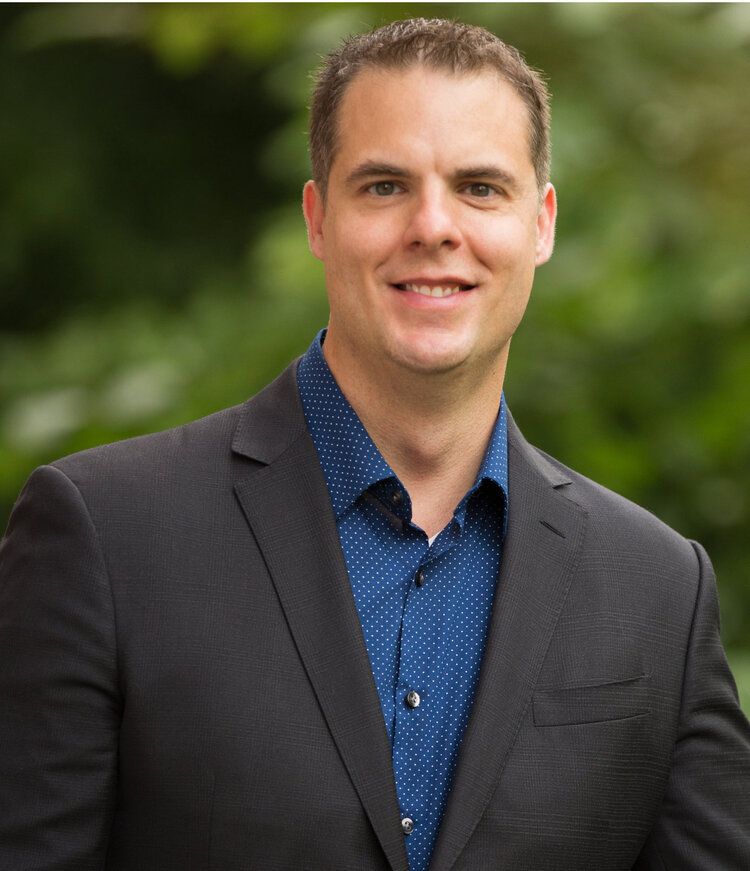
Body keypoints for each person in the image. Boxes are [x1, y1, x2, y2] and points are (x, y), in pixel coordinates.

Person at [1, 17, 748, 871]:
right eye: (386, 186)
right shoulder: (105, 537)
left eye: (480, 187)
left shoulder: (657, 587)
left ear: (539, 225)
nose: (434, 225)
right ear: (319, 219)